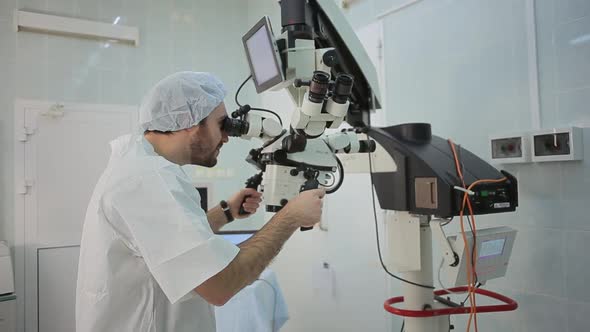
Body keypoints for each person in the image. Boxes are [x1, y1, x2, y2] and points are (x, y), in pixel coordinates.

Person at [75, 71, 325, 332]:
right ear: (190, 123)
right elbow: (221, 284)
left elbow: (164, 242)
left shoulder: (139, 165)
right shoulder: (149, 181)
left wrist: (225, 213)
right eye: (222, 125)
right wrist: (290, 217)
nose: (227, 137)